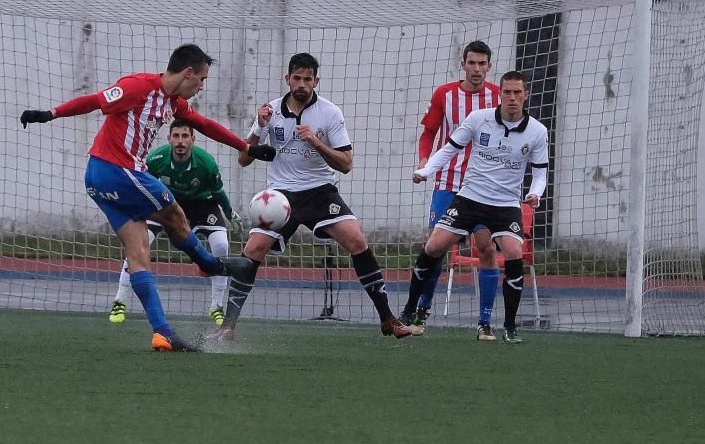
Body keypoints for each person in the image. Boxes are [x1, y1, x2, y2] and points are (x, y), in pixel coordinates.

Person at [20, 43, 274, 353]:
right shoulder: (138, 87)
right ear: (188, 73)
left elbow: (205, 125)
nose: (202, 86)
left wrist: (245, 147)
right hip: (117, 170)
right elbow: (94, 101)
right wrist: (50, 114)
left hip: (101, 179)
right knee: (176, 214)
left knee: (138, 254)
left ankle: (162, 333)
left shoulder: (173, 103)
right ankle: (211, 264)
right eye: (202, 80)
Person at [206, 52, 412, 341]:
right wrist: (259, 128)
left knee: (357, 240)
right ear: (287, 78)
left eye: (307, 79)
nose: (301, 84)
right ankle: (227, 327)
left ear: (316, 81)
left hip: (319, 191)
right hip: (281, 197)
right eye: (297, 78)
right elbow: (243, 159)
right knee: (253, 251)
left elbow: (346, 164)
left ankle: (388, 319)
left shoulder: (330, 113)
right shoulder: (270, 111)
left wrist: (316, 142)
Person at [402, 70, 548, 343]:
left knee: (513, 252)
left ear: (526, 95)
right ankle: (411, 310)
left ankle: (509, 326)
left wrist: (535, 193)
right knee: (433, 246)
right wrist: (426, 171)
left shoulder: (537, 131)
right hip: (470, 198)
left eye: (518, 93)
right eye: (507, 92)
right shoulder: (478, 119)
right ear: (500, 94)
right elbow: (449, 148)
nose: (512, 98)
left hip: (504, 204)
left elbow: (540, 172)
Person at [404, 40, 501, 336]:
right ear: (463, 64)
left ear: (489, 66)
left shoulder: (498, 96)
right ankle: (422, 311)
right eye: (471, 63)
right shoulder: (444, 94)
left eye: (482, 63)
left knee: (485, 247)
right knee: (435, 246)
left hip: (483, 186)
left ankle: (485, 322)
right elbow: (429, 133)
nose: (476, 69)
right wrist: (424, 159)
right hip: (447, 181)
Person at [108, 118, 241, 326]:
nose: (180, 141)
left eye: (185, 136)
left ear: (193, 139)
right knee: (139, 242)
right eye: (176, 136)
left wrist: (230, 212)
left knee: (221, 245)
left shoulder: (206, 163)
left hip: (202, 204)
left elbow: (218, 192)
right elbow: (140, 185)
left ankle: (217, 306)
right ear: (169, 139)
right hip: (167, 203)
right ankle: (119, 301)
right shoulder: (155, 159)